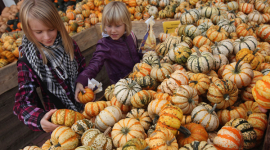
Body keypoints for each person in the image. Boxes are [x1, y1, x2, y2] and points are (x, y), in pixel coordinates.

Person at [13, 0, 86, 133]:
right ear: (28, 30)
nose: (46, 37)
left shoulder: (68, 43)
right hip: (60, 124)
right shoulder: (28, 61)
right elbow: (22, 103)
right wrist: (40, 119)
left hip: (85, 109)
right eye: (39, 32)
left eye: (51, 29)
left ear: (57, 24)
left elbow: (82, 68)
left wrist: (83, 82)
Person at [75, 1, 142, 101]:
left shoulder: (130, 35)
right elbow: (94, 64)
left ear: (125, 24)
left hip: (139, 78)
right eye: (109, 26)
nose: (113, 30)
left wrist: (145, 55)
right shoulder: (104, 45)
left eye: (117, 26)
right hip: (121, 89)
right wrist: (81, 81)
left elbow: (136, 53)